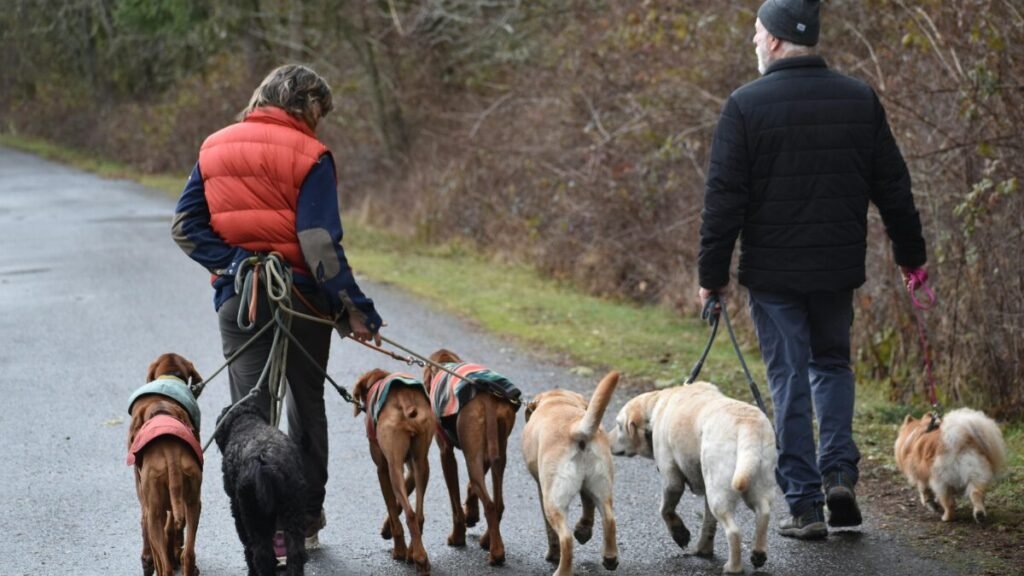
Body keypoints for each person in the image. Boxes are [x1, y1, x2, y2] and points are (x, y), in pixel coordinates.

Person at [698, 0, 927, 540]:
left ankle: (804, 504)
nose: (754, 41)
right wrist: (911, 257)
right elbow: (893, 186)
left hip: (774, 276)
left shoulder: (745, 106)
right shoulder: (858, 99)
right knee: (831, 366)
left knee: (789, 379)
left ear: (776, 40)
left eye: (757, 33)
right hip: (836, 269)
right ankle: (840, 474)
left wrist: (712, 276)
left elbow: (722, 202)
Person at [172, 64, 383, 555]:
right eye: (319, 112)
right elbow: (317, 244)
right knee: (306, 405)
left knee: (251, 412)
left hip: (241, 300)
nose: (319, 123)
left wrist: (233, 262)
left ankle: (266, 527)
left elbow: (185, 226)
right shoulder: (312, 155)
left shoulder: (213, 147)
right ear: (306, 104)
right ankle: (304, 518)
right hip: (303, 302)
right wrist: (355, 308)